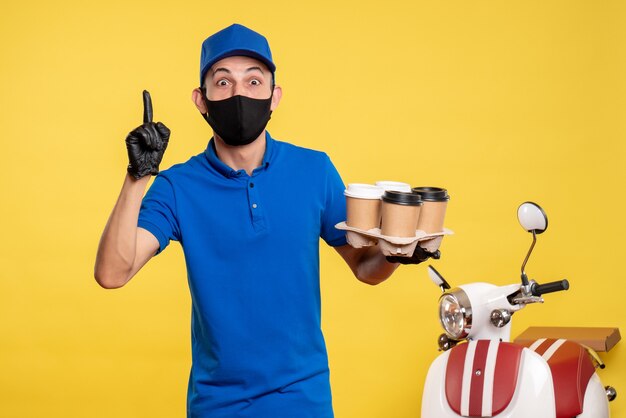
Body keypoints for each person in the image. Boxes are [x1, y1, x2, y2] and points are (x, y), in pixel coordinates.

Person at [95, 23, 433, 418]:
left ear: (275, 97)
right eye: (223, 82)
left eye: (254, 82)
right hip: (216, 404)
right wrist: (138, 176)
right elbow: (113, 273)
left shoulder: (315, 170)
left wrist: (396, 251)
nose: (239, 93)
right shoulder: (177, 186)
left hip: (303, 399)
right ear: (201, 100)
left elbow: (365, 268)